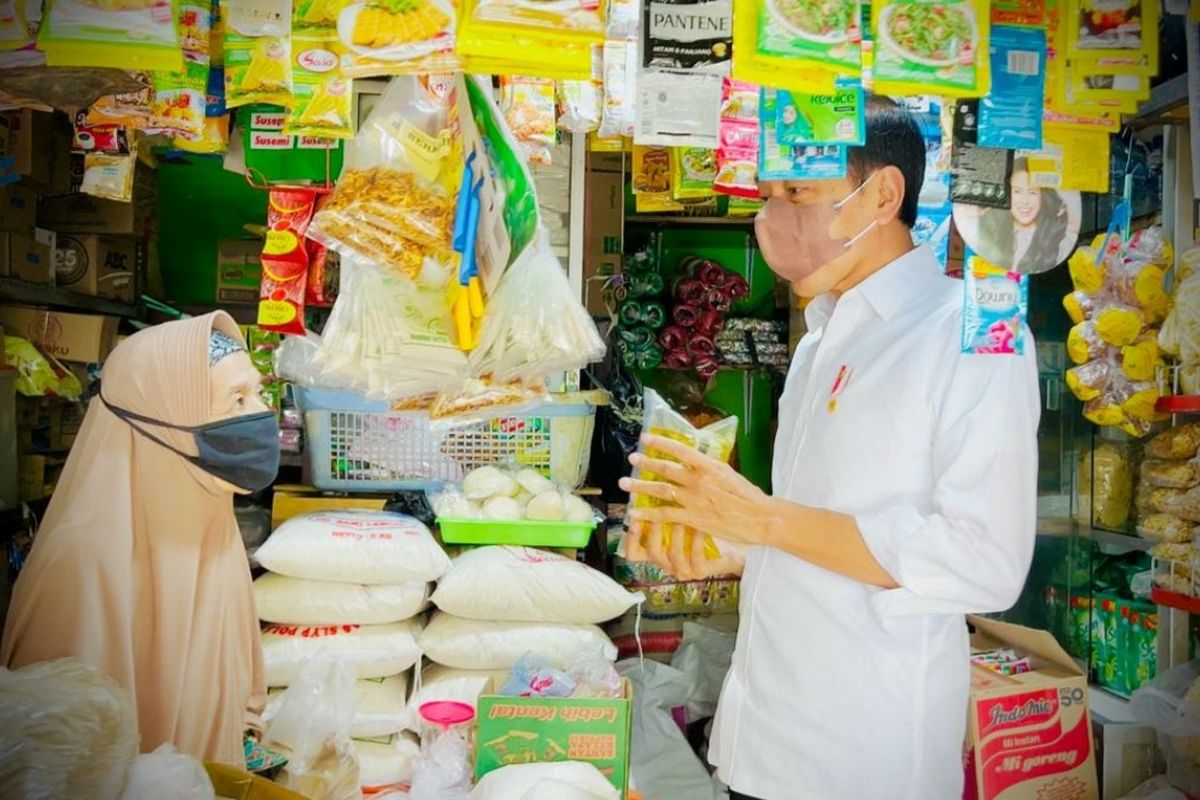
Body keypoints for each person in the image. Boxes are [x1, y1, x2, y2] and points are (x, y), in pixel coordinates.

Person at [620, 97, 1040, 800]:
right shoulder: (820, 337)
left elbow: (985, 561)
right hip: (762, 740)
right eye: (768, 196)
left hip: (861, 760)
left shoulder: (971, 334)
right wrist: (726, 545)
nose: (774, 219)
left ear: (882, 194)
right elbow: (821, 531)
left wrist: (760, 521)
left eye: (798, 192)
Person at [1, 312, 279, 766]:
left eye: (258, 392)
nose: (262, 413)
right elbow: (57, 761)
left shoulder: (214, 519)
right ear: (163, 418)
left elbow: (235, 688)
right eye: (238, 399)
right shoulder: (82, 568)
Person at [975, 157, 1074, 272]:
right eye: (1017, 191)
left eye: (1032, 192)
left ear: (1043, 197)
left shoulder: (1061, 243)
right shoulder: (987, 232)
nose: (1025, 201)